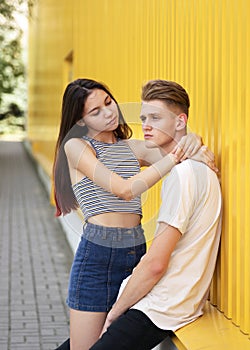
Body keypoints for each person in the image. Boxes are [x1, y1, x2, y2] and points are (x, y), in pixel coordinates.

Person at [53, 78, 216, 350]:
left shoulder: (132, 147)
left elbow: (176, 145)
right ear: (81, 121)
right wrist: (176, 157)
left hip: (133, 251)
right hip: (97, 255)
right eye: (95, 112)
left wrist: (192, 141)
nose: (109, 112)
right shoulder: (78, 148)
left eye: (108, 102)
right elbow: (125, 190)